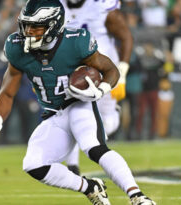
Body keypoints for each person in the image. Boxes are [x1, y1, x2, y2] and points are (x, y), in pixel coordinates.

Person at [0, 1, 156, 205]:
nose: (29, 32)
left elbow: (111, 70)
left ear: (54, 25)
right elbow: (7, 92)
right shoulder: (17, 48)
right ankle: (90, 187)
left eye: (36, 26)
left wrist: (100, 90)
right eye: (26, 25)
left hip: (79, 105)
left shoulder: (75, 42)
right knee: (33, 164)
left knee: (94, 148)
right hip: (53, 114)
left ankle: (137, 196)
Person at [60, 0, 134, 175]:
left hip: (105, 71)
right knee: (70, 115)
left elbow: (126, 37)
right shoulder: (55, 6)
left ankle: (85, 143)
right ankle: (72, 164)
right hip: (74, 71)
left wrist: (121, 73)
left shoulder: (101, 6)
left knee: (108, 120)